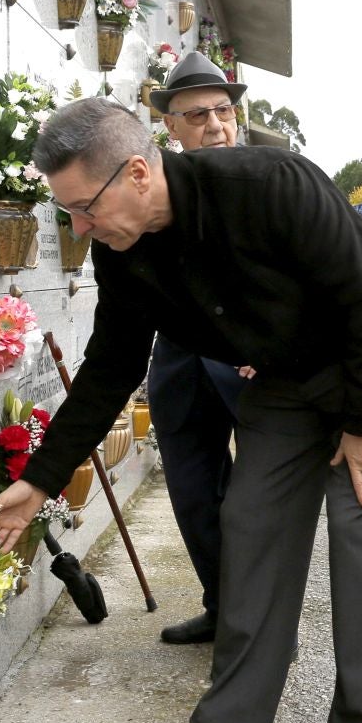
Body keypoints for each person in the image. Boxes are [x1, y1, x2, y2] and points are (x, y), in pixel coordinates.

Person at [0, 98, 362, 723]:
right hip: (282, 379)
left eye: (84, 209)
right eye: (68, 214)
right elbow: (110, 366)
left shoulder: (269, 183)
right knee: (252, 528)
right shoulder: (121, 249)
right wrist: (39, 479)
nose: (80, 228)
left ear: (136, 173)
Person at [143, 51, 250, 646]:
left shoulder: (269, 176)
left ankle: (259, 622)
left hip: (255, 365)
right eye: (196, 114)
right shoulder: (155, 187)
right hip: (182, 361)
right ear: (171, 127)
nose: (213, 124)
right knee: (192, 491)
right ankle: (221, 605)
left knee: (258, 501)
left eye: (222, 110)